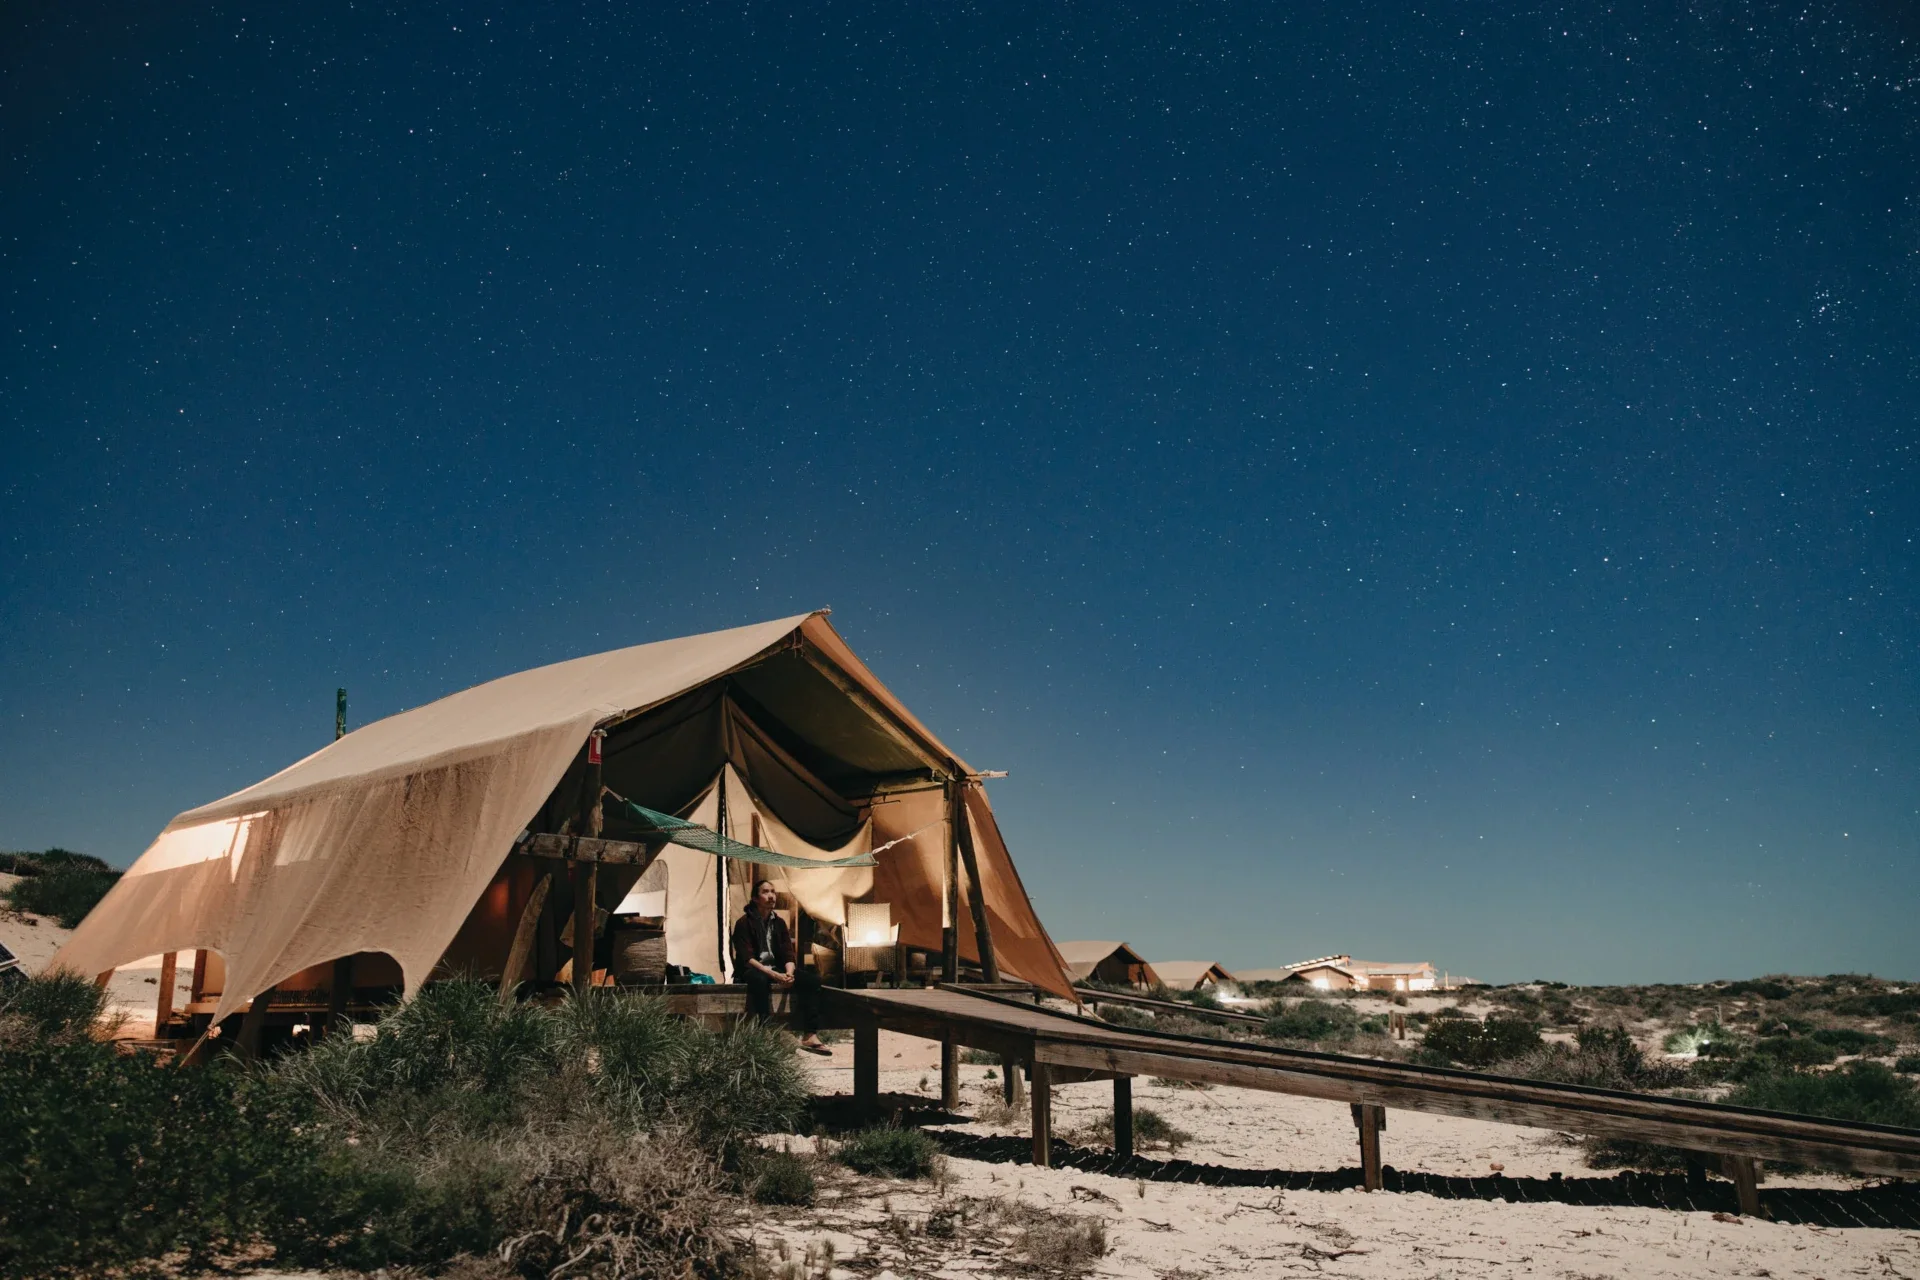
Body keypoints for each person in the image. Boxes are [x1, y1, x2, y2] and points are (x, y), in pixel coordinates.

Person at [731, 878, 829, 1054]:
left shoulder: (779, 922)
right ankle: (765, 1031)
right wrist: (774, 975)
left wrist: (789, 973)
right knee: (760, 980)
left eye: (773, 892)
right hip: (753, 969)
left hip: (775, 968)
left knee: (812, 980)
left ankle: (810, 1034)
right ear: (755, 898)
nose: (771, 896)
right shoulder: (744, 923)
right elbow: (747, 958)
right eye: (765, 892)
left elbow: (787, 953)